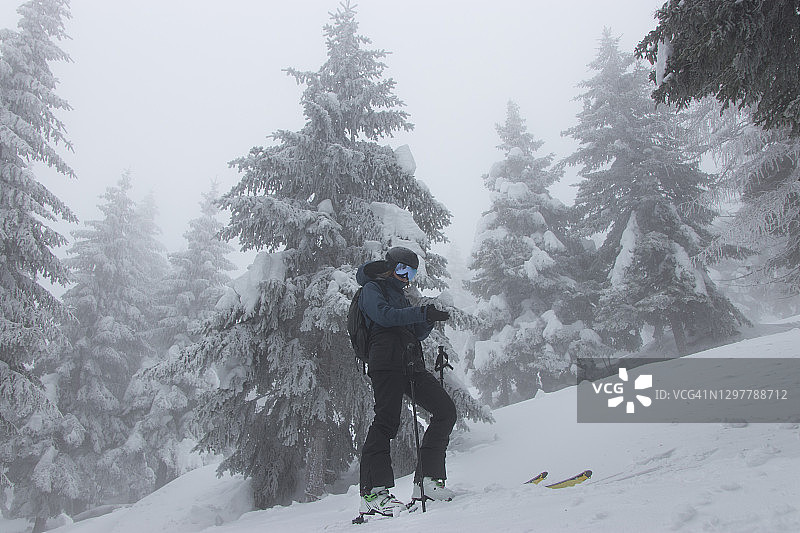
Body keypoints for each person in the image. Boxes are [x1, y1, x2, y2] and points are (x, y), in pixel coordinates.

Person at [355, 246, 457, 519]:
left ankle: (427, 482)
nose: (406, 276)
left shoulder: (400, 296)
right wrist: (420, 313)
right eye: (402, 269)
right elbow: (384, 317)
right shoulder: (371, 289)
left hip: (410, 363)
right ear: (389, 267)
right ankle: (373, 493)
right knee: (386, 421)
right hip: (385, 363)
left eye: (411, 271)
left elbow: (413, 331)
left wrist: (429, 319)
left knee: (445, 411)